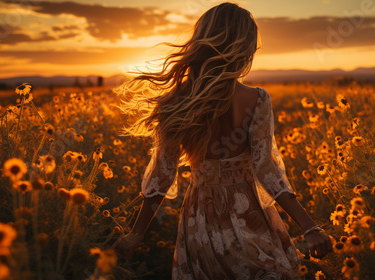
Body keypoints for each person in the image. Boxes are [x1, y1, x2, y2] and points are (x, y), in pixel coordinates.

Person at [112, 2, 332, 279]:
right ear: (243, 48)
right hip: (249, 213)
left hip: (201, 220)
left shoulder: (176, 102)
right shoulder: (257, 99)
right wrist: (310, 228)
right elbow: (268, 171)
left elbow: (162, 177)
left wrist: (136, 234)